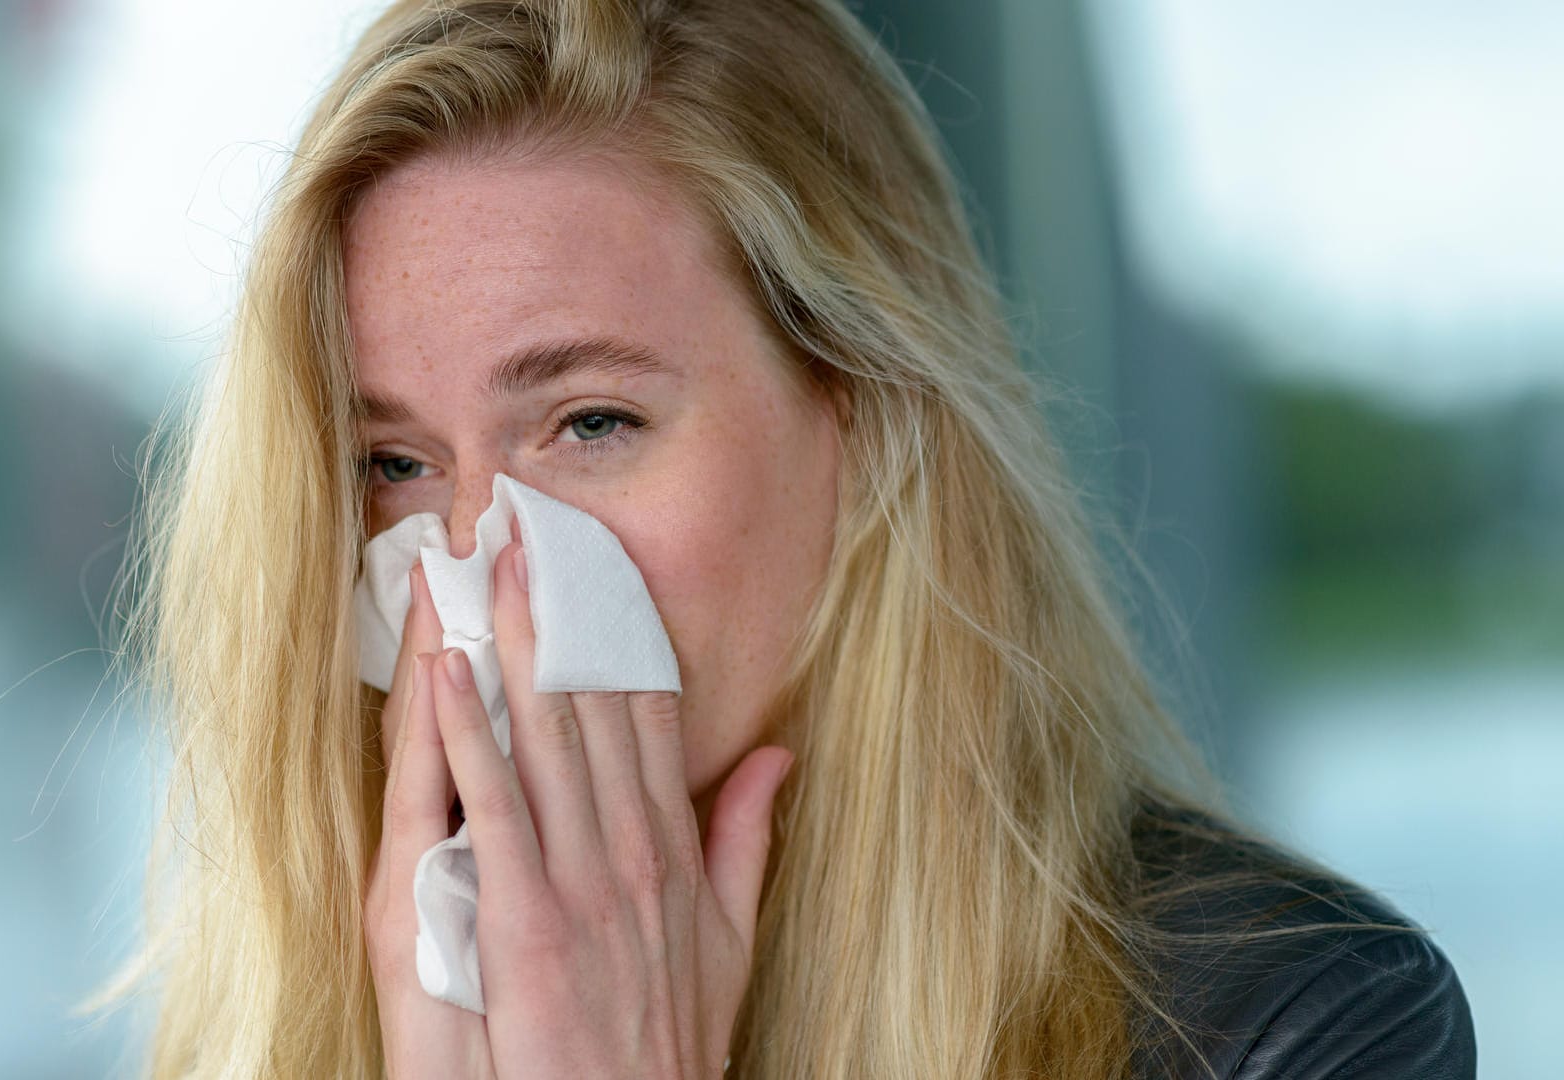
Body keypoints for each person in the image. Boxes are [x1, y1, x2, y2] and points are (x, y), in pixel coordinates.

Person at [90, 0, 1476, 1076]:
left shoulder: (1295, 1022)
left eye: (590, 423)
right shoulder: (275, 1009)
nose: (476, 572)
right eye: (395, 464)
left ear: (861, 422)